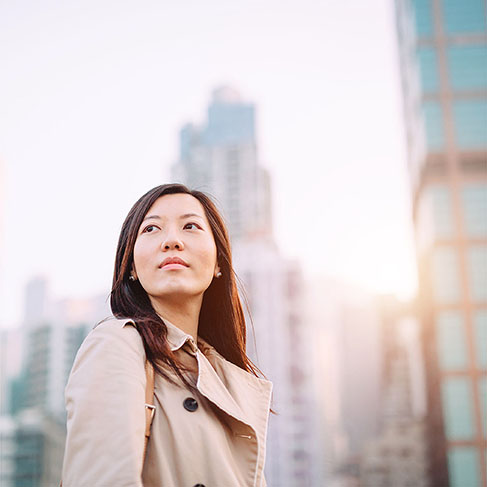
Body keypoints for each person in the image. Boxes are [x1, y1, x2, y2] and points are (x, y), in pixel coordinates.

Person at [61, 183, 273, 487]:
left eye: (190, 226)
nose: (172, 241)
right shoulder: (117, 343)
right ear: (131, 266)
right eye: (151, 229)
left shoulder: (232, 384)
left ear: (218, 263)